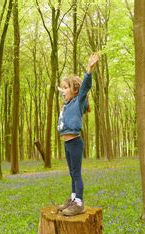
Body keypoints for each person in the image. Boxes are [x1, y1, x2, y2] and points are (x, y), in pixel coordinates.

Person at [57, 52, 100, 216]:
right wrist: (62, 90)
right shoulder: (66, 105)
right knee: (71, 173)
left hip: (75, 142)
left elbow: (85, 87)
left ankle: (79, 203)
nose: (63, 90)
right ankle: (73, 198)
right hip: (67, 143)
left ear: (74, 90)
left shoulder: (78, 101)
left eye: (66, 87)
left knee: (76, 173)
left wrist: (89, 69)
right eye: (62, 88)